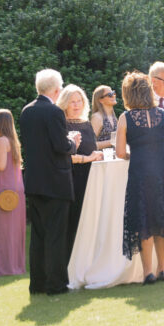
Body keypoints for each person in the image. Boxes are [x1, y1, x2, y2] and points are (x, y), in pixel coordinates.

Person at [116, 71, 164, 284]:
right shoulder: (163, 115)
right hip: (163, 171)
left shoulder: (125, 118)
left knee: (144, 219)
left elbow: (120, 152)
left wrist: (135, 154)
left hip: (140, 173)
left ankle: (148, 272)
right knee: (162, 217)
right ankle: (162, 268)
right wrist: (159, 150)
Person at [19, 69, 80, 295]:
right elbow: (60, 146)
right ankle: (56, 284)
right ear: (56, 90)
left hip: (34, 181)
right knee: (56, 235)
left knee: (38, 235)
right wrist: (73, 142)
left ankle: (38, 283)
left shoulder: (26, 111)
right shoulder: (54, 112)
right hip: (55, 181)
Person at [57, 86, 102, 260]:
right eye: (72, 102)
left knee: (91, 222)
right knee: (72, 223)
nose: (76, 105)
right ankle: (69, 262)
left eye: (79, 101)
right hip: (71, 179)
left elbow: (92, 149)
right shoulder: (62, 125)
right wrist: (88, 158)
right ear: (64, 104)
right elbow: (63, 157)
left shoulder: (87, 124)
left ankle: (88, 260)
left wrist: (98, 156)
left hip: (90, 178)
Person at [0, 109, 28, 276]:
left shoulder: (1, 141)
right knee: (14, 230)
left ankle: (7, 268)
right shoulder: (13, 141)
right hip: (15, 188)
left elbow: (0, 166)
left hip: (5, 189)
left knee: (4, 231)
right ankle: (16, 265)